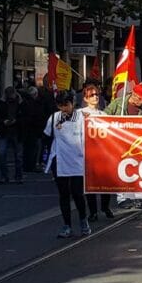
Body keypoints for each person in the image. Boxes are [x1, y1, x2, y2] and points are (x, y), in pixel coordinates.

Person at [44, 91, 90, 238]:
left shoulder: (82, 118)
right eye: (61, 105)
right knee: (63, 194)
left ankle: (83, 220)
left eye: (67, 105)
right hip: (60, 159)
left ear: (73, 103)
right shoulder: (54, 118)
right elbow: (46, 136)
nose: (64, 108)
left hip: (77, 160)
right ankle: (67, 225)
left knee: (77, 193)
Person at [80, 82, 115, 220]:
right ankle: (93, 211)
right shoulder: (80, 114)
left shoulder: (103, 114)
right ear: (85, 98)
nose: (95, 97)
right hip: (86, 154)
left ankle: (105, 207)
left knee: (105, 182)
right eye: (91, 95)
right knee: (90, 184)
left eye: (97, 95)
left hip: (102, 153)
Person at [0, 87, 22, 184]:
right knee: (2, 153)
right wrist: (3, 121)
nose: (11, 97)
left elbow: (25, 115)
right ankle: (5, 175)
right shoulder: (2, 103)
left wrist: (16, 121)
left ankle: (17, 176)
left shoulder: (20, 103)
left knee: (17, 155)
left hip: (16, 131)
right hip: (5, 130)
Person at [18, 86, 45, 175]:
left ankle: (27, 165)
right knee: (34, 148)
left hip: (26, 129)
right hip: (34, 128)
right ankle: (32, 165)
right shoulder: (34, 103)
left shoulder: (24, 103)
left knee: (28, 148)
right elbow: (38, 116)